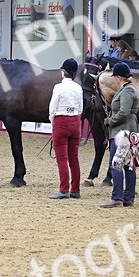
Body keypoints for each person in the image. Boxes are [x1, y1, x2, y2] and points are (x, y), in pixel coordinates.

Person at [101, 62, 139, 209]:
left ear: (119, 77)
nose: (115, 79)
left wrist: (111, 121)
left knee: (116, 163)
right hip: (127, 131)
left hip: (122, 132)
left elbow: (123, 112)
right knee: (128, 164)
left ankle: (117, 196)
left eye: (115, 77)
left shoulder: (127, 91)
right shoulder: (128, 89)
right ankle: (128, 197)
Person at [47, 57, 83, 200]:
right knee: (74, 158)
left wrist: (53, 121)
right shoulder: (78, 87)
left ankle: (64, 189)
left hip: (61, 121)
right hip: (75, 121)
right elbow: (80, 108)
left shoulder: (58, 87)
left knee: (62, 158)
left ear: (64, 72)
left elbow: (52, 107)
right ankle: (75, 189)